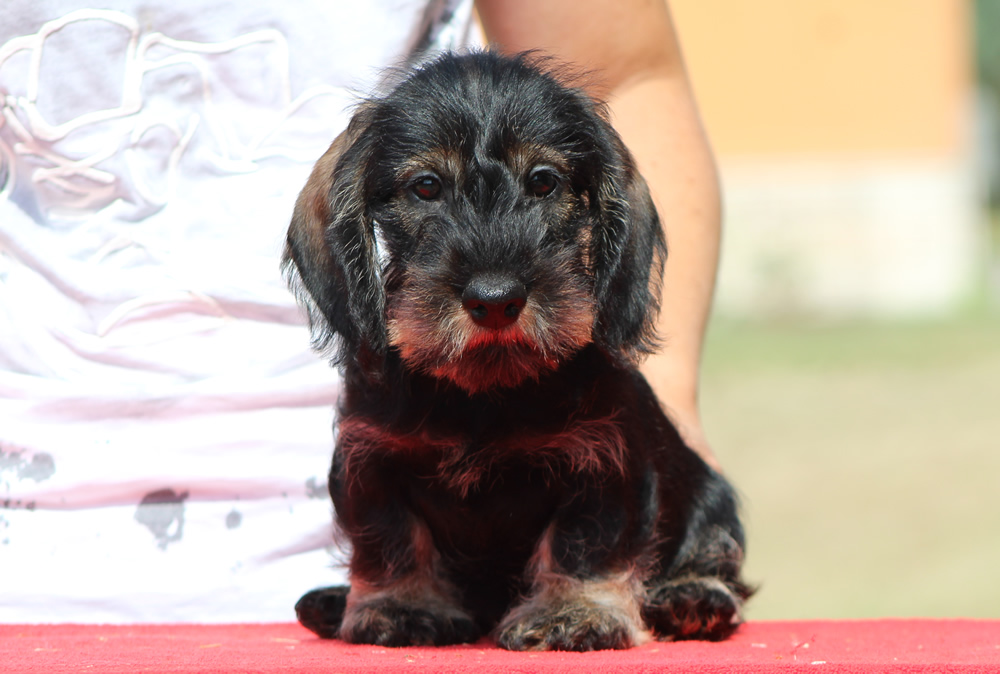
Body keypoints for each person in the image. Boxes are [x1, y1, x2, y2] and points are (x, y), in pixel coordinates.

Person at [0, 0, 719, 622]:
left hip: (301, 536)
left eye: (543, 183)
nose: (496, 283)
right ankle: (399, 583)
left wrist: (666, 400)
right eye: (425, 191)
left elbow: (628, 71)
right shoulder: (376, 408)